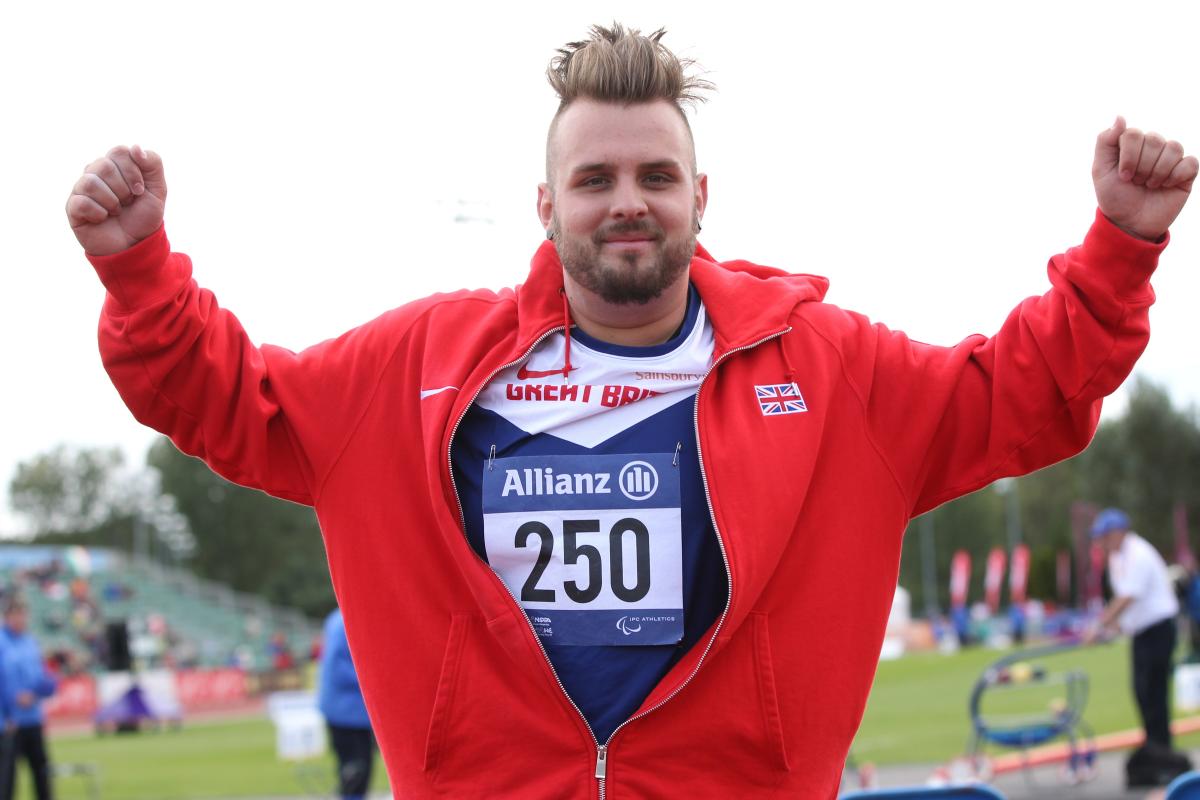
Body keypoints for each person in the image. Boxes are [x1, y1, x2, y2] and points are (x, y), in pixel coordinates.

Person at [64, 23, 1196, 798]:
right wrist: (139, 272)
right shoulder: (415, 362)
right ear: (546, 201)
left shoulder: (829, 366)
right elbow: (225, 397)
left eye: (655, 176)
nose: (628, 203)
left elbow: (1024, 395)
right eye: (596, 180)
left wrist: (1119, 247)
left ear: (700, 197)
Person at [1088, 508, 1190, 786]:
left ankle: (1164, 757)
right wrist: (1113, 628)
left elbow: (1127, 598)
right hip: (1142, 632)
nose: (1101, 543)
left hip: (1158, 630)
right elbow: (1128, 604)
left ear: (1119, 532)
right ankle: (1155, 752)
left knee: (1154, 694)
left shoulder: (1139, 554)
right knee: (1141, 693)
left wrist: (1099, 626)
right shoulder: (1118, 558)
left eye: (1104, 537)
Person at [0, 600, 57, 800]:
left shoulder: (30, 642)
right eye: (16, 615)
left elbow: (42, 677)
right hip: (8, 723)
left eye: (23, 615)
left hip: (32, 718)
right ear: (6, 617)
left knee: (42, 774)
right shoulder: (2, 644)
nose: (20, 620)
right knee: (6, 779)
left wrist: (42, 690)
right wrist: (6, 711)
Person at [318, 608, 375, 800]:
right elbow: (336, 667)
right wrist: (373, 677)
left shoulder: (338, 618)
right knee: (356, 771)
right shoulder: (345, 619)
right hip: (347, 713)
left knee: (356, 771)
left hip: (348, 710)